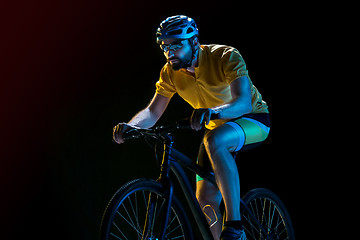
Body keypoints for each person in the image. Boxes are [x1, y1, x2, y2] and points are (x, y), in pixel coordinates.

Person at [113, 15, 270, 240]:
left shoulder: (225, 56)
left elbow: (243, 101)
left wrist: (214, 111)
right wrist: (131, 126)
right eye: (165, 46)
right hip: (215, 128)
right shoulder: (170, 72)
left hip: (253, 119)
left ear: (194, 42)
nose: (170, 52)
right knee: (205, 200)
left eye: (177, 44)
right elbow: (152, 112)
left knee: (214, 140)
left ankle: (234, 225)